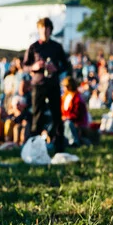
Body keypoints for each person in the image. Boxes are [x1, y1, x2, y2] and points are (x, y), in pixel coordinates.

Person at [22, 18, 70, 152]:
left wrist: (56, 69)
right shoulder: (34, 47)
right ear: (39, 30)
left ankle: (59, 146)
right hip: (38, 84)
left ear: (50, 30)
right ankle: (35, 145)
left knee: (56, 115)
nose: (45, 31)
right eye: (42, 28)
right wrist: (34, 66)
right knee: (38, 114)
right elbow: (25, 65)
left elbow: (66, 65)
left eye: (47, 29)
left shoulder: (56, 46)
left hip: (53, 83)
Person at [61, 77, 89, 147]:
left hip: (76, 122)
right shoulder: (64, 97)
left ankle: (73, 142)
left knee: (68, 124)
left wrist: (67, 118)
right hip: (65, 120)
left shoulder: (77, 98)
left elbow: (78, 114)